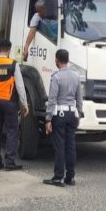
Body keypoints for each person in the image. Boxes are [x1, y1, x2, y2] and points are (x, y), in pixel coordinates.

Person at [0, 39, 29, 171]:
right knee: (11, 131)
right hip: (9, 102)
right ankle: (9, 162)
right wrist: (24, 103)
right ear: (9, 50)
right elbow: (20, 86)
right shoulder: (13, 64)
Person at [43, 49, 83, 187]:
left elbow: (52, 99)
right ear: (67, 60)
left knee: (59, 146)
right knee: (71, 145)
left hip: (59, 114)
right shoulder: (76, 76)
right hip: (72, 114)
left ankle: (58, 177)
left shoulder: (56, 77)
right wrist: (79, 113)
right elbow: (79, 98)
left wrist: (48, 119)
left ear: (56, 60)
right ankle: (70, 177)